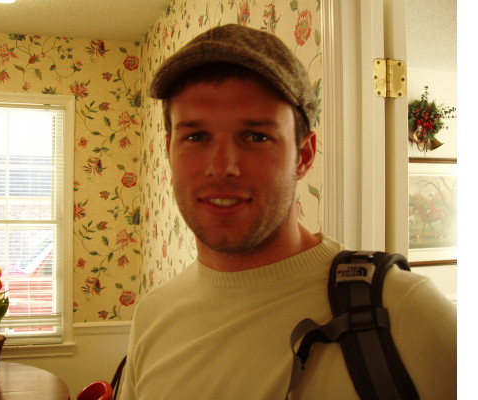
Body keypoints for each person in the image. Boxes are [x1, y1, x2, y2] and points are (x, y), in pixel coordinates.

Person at [120, 24, 456, 399]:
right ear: (170, 151)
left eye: (256, 136)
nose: (222, 167)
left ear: (304, 156)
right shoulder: (151, 316)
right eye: (196, 136)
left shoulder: (407, 313)